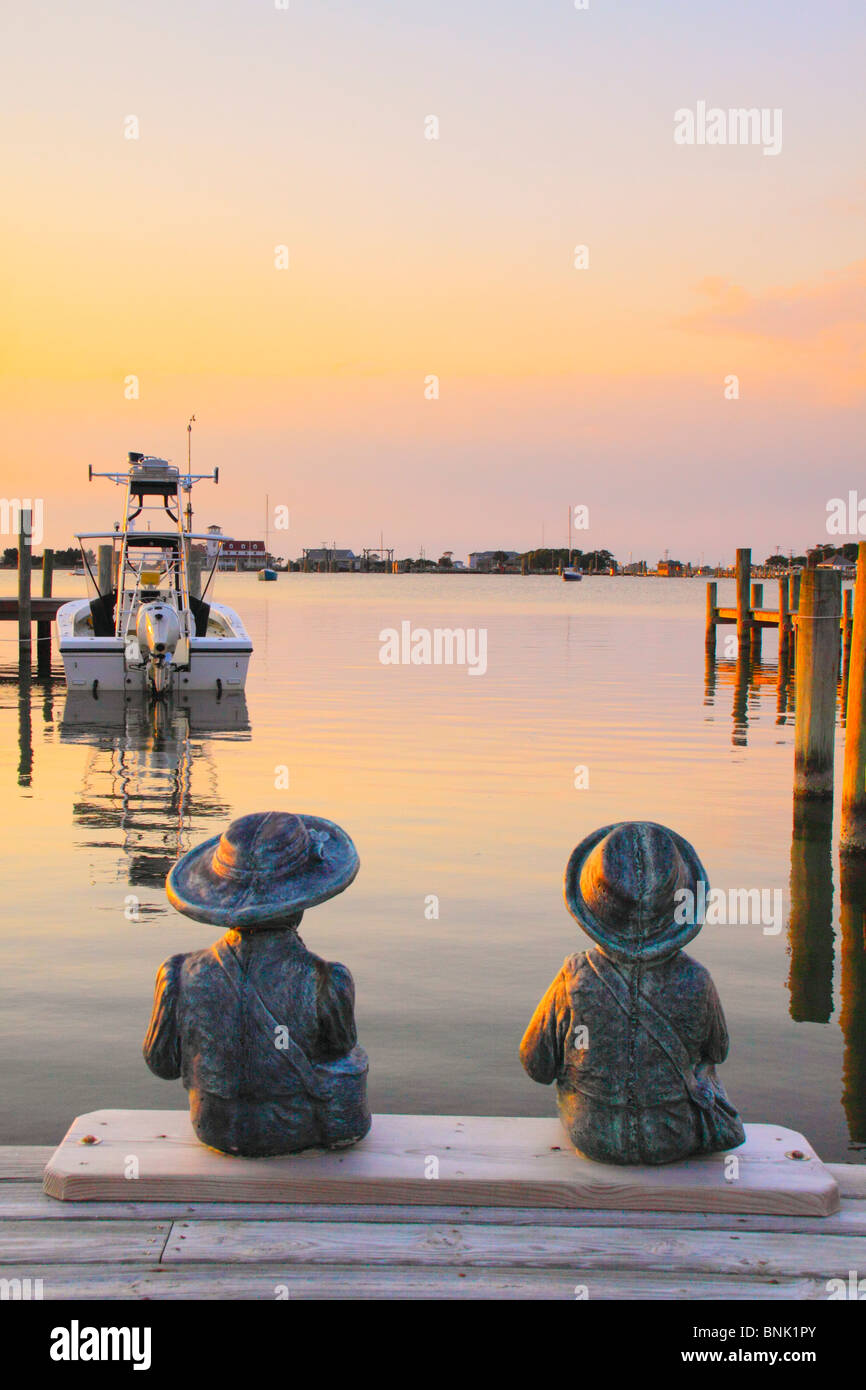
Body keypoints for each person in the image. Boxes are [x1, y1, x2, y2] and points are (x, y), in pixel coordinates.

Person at [143, 810, 371, 1157]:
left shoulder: (178, 973)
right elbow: (339, 1048)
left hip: (212, 1128)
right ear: (303, 899)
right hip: (292, 1131)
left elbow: (162, 1064)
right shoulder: (327, 980)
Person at [520, 821, 745, 1165]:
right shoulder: (698, 980)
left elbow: (536, 1064)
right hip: (675, 1137)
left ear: (594, 909)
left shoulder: (573, 977)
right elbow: (719, 1051)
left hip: (592, 1136)